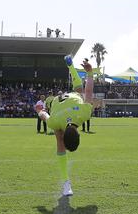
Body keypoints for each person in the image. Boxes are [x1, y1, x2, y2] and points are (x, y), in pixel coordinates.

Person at [36, 55, 94, 197]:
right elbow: (44, 115)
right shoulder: (54, 123)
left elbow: (88, 92)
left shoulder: (85, 114)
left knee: (80, 91)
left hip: (63, 102)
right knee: (58, 134)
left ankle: (65, 183)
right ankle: (70, 66)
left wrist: (90, 72)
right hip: (58, 105)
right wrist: (39, 111)